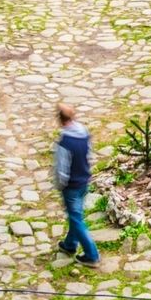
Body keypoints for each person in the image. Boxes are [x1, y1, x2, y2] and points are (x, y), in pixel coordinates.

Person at [52, 102, 99, 265]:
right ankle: (70, 245)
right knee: (76, 215)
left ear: (60, 119)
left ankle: (92, 254)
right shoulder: (84, 133)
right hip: (84, 180)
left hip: (71, 185)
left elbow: (61, 169)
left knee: (76, 219)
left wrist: (59, 185)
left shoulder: (65, 142)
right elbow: (90, 154)